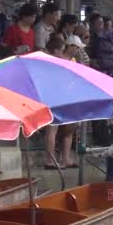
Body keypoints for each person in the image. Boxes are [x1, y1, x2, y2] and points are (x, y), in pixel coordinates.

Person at [42, 37, 79, 169]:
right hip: (53, 98)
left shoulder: (54, 62)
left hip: (62, 97)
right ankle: (50, 160)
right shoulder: (49, 63)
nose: (62, 53)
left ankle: (65, 159)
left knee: (68, 130)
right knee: (52, 129)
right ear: (56, 50)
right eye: (61, 50)